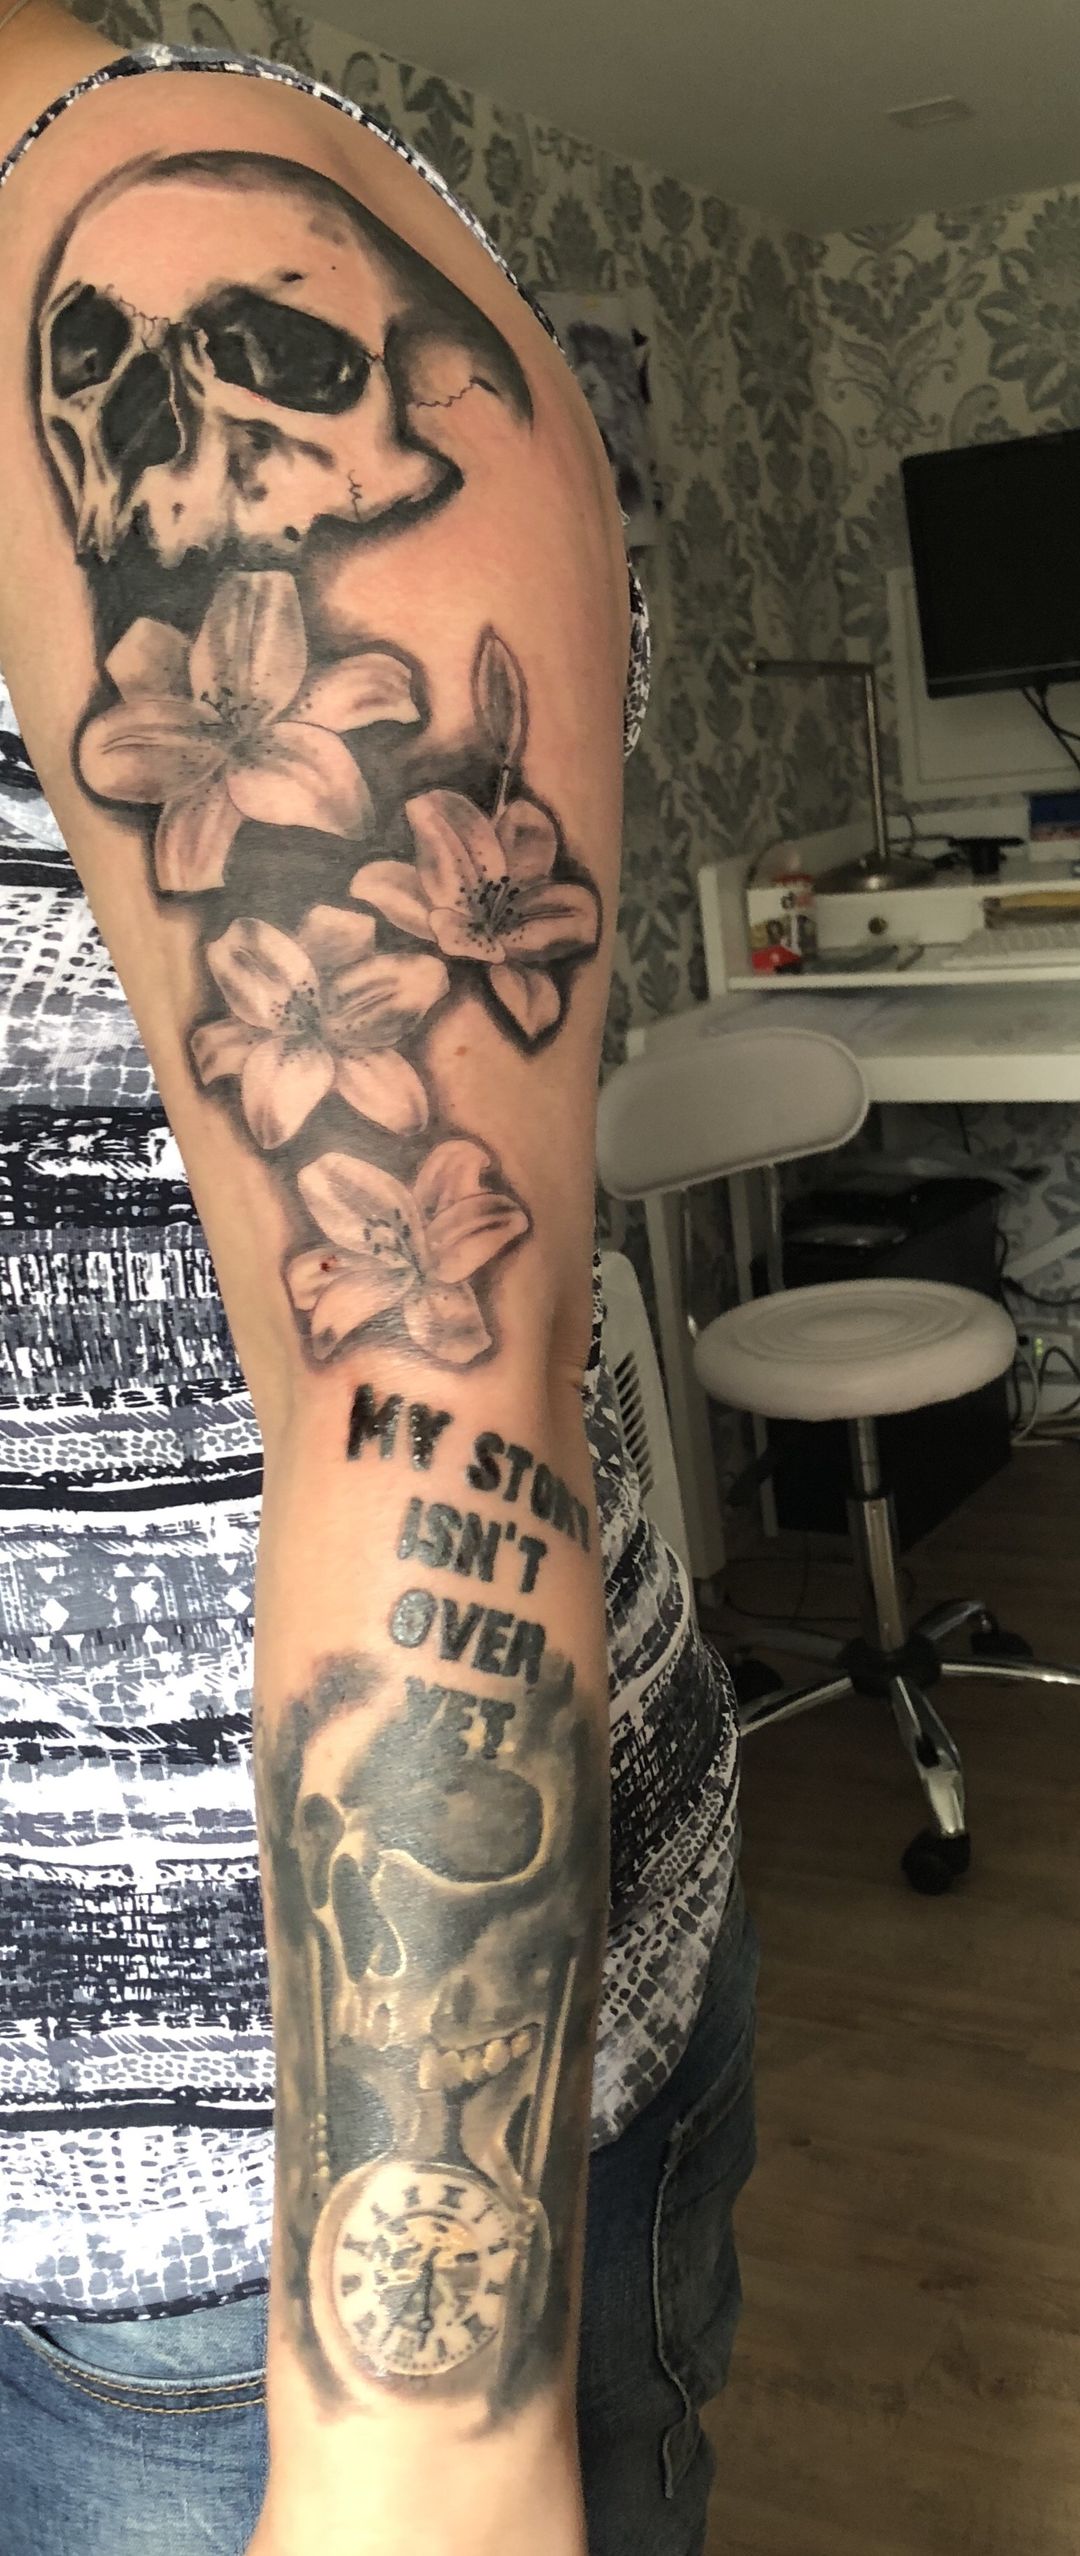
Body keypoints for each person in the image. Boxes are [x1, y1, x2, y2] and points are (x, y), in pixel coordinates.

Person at [0, 12, 755, 2554]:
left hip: (234, 2276)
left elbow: (423, 1367)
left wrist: (415, 2428)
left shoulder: (157, 205)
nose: (185, 448)